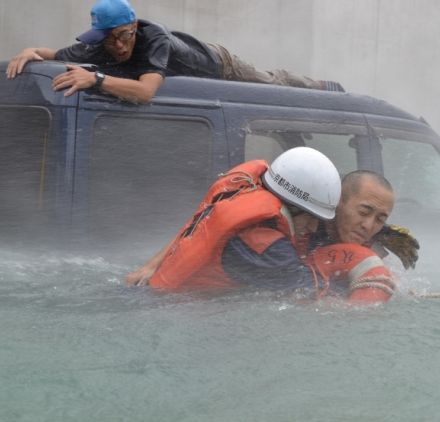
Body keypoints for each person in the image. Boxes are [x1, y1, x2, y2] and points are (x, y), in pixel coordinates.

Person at [127, 147, 396, 303]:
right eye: (312, 219)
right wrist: (374, 281)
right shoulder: (264, 246)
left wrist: (153, 263)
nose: (313, 228)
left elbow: (202, 219)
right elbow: (313, 300)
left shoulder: (250, 186)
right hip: (170, 308)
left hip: (159, 290)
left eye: (380, 219)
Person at [6, 0, 344, 104]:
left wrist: (95, 79)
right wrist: (30, 51)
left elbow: (145, 92)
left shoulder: (155, 40)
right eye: (111, 40)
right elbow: (53, 52)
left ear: (135, 27)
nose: (120, 46)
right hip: (192, 76)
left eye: (125, 36)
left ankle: (317, 85)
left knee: (271, 85)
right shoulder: (95, 44)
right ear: (99, 38)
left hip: (218, 64)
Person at [310, 170, 419, 270]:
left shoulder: (375, 241)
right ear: (338, 201)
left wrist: (384, 234)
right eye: (363, 212)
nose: (368, 226)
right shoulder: (305, 225)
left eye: (380, 220)